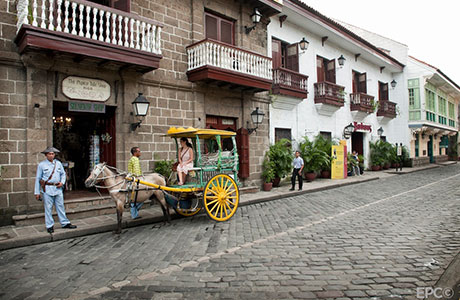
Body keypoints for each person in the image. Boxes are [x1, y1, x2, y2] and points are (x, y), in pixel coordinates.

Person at [34, 146, 77, 233]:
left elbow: (63, 174)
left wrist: (62, 182)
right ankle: (49, 225)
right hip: (47, 189)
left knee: (60, 206)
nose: (51, 155)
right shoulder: (42, 165)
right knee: (48, 208)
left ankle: (64, 223)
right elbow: (38, 178)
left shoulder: (58, 163)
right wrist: (37, 192)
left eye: (53, 154)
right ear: (46, 155)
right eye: (49, 154)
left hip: (58, 188)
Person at [128, 146, 143, 219]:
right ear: (135, 153)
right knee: (140, 197)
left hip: (134, 179)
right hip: (135, 180)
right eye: (139, 151)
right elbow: (137, 172)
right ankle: (134, 212)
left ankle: (134, 212)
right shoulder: (134, 159)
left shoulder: (133, 159)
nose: (140, 153)